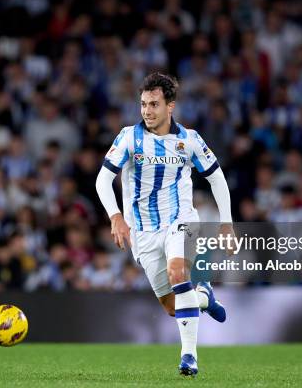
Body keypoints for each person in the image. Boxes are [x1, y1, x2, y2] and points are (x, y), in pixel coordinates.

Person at [95, 72, 233, 376]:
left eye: (154, 104)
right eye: (143, 104)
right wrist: (115, 216)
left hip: (180, 221)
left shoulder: (190, 140)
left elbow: (216, 178)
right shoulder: (129, 137)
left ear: (170, 106)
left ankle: (189, 357)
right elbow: (103, 179)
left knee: (178, 271)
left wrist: (226, 222)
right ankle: (204, 297)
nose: (147, 111)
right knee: (173, 306)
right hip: (142, 231)